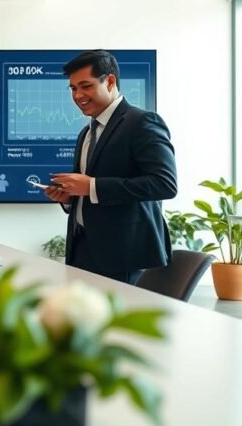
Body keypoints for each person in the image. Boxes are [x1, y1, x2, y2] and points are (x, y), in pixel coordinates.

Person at [45, 50, 177, 284]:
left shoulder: (142, 122)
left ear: (110, 81)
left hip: (123, 256)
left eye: (86, 86)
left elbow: (164, 184)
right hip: (82, 249)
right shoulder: (86, 132)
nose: (78, 95)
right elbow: (89, 191)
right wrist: (69, 197)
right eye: (73, 88)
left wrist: (92, 187)